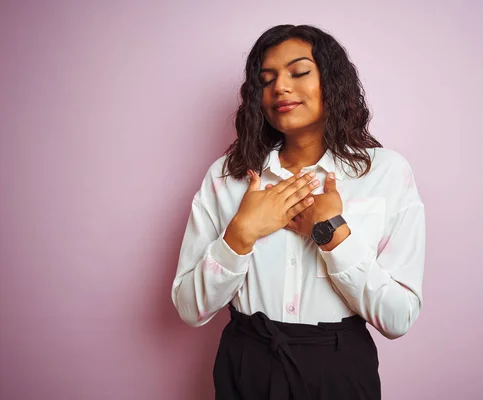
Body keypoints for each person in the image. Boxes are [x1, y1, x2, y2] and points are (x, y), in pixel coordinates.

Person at [171, 24, 426, 400]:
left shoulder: (385, 174)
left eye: (299, 72)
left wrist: (333, 235)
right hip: (246, 366)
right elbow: (190, 309)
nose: (280, 88)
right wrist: (240, 234)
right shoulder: (227, 177)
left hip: (340, 371)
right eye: (266, 80)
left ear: (332, 81)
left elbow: (398, 317)